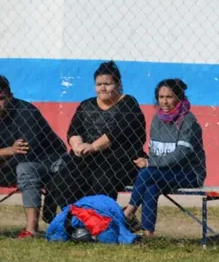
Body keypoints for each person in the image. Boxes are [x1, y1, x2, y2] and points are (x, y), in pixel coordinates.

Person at [49, 61, 147, 210]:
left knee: (101, 180)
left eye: (107, 83)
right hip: (87, 157)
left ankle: (100, 220)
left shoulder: (129, 104)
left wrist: (93, 146)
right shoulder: (86, 104)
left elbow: (116, 133)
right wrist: (77, 146)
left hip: (119, 158)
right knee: (64, 180)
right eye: (99, 84)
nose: (102, 88)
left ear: (118, 84)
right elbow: (74, 130)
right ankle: (73, 221)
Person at [122, 79, 206, 237]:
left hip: (188, 173)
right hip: (162, 172)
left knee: (147, 174)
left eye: (169, 97)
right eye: (161, 97)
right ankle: (149, 233)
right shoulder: (156, 119)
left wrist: (149, 163)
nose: (165, 102)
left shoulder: (188, 120)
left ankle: (128, 212)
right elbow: (154, 150)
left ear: (179, 98)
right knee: (151, 186)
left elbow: (182, 154)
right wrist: (152, 163)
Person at [0, 75, 67, 238]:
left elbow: (27, 152)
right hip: (8, 163)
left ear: (10, 96)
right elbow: (14, 152)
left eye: (0, 98)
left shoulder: (26, 112)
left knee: (25, 168)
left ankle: (31, 231)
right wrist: (8, 151)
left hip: (49, 160)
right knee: (22, 167)